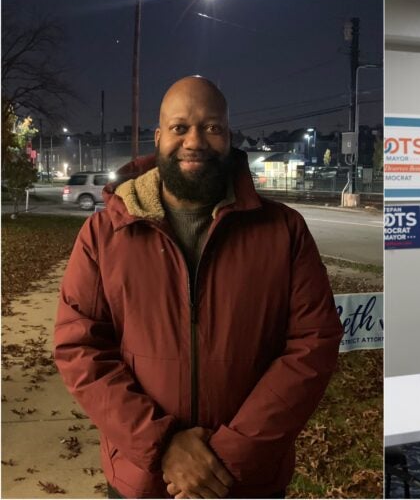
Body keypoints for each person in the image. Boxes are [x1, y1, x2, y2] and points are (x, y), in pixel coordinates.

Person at [54, 76, 343, 499]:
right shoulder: (104, 234)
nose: (195, 141)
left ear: (228, 136)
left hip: (246, 481)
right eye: (180, 127)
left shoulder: (283, 231)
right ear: (158, 137)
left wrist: (230, 454)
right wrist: (164, 446)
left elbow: (313, 344)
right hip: (143, 480)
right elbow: (79, 348)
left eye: (212, 127)